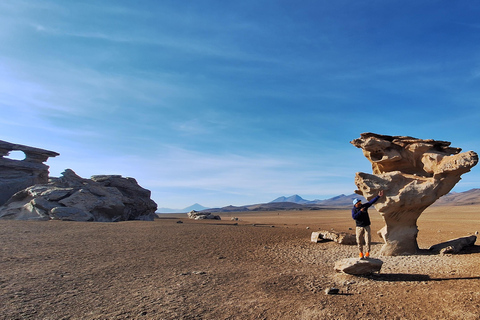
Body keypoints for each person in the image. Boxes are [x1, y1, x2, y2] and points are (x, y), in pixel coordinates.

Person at [352, 190, 384, 259]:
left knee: (368, 240)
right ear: (355, 204)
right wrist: (360, 212)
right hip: (359, 227)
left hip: (366, 226)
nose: (360, 203)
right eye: (358, 203)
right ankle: (360, 253)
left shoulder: (364, 206)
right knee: (359, 240)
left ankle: (367, 252)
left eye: (360, 202)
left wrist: (378, 196)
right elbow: (354, 217)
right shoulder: (354, 210)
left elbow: (370, 202)